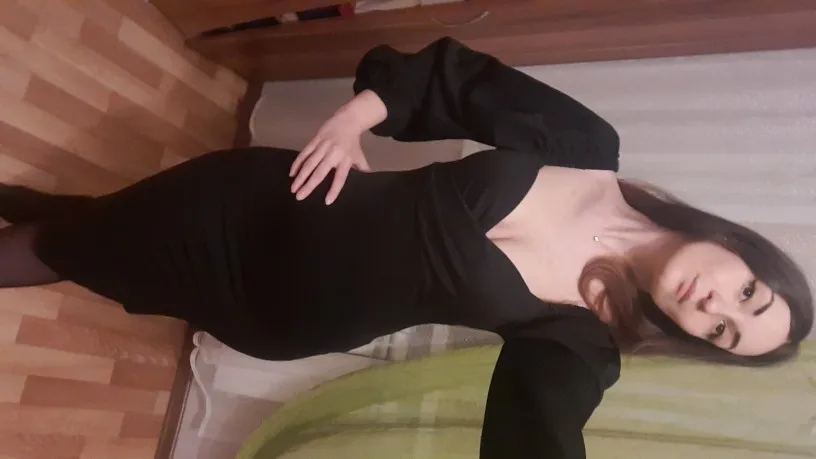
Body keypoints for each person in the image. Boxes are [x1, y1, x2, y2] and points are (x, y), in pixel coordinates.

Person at [0, 37, 812, 458]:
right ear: (736, 246)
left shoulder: (581, 343)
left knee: (81, 247)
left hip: (274, 306)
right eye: (749, 294)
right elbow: (456, 78)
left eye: (723, 333)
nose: (717, 307)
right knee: (103, 232)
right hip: (263, 194)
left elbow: (537, 438)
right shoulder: (586, 145)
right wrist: (354, 119)